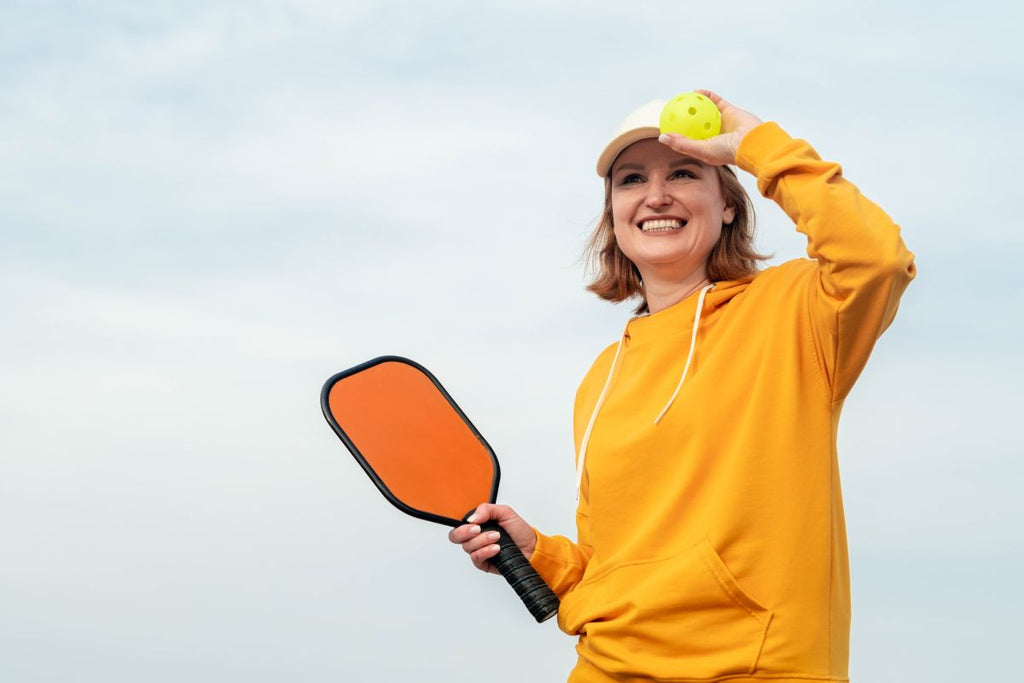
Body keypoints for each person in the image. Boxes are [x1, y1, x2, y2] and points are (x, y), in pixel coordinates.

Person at [449, 90, 915, 682]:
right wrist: (539, 553)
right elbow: (612, 563)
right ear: (613, 214)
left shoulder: (795, 313)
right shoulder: (604, 374)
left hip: (756, 668)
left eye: (686, 172)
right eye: (632, 179)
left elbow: (877, 260)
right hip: (607, 667)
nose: (656, 195)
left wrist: (755, 144)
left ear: (728, 205)